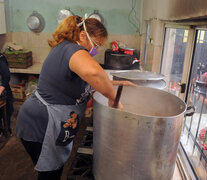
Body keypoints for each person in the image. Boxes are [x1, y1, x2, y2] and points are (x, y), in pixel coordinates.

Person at [16, 14, 134, 180]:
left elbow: (89, 79)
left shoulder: (69, 51)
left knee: (54, 169)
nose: (96, 50)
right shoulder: (72, 49)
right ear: (83, 35)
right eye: (96, 44)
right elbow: (94, 72)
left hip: (51, 121)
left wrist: (117, 83)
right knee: (49, 174)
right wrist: (114, 100)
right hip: (41, 124)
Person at [0, 53, 14, 136]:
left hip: (4, 91)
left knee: (7, 111)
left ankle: (7, 130)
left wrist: (1, 88)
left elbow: (6, 76)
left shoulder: (1, 59)